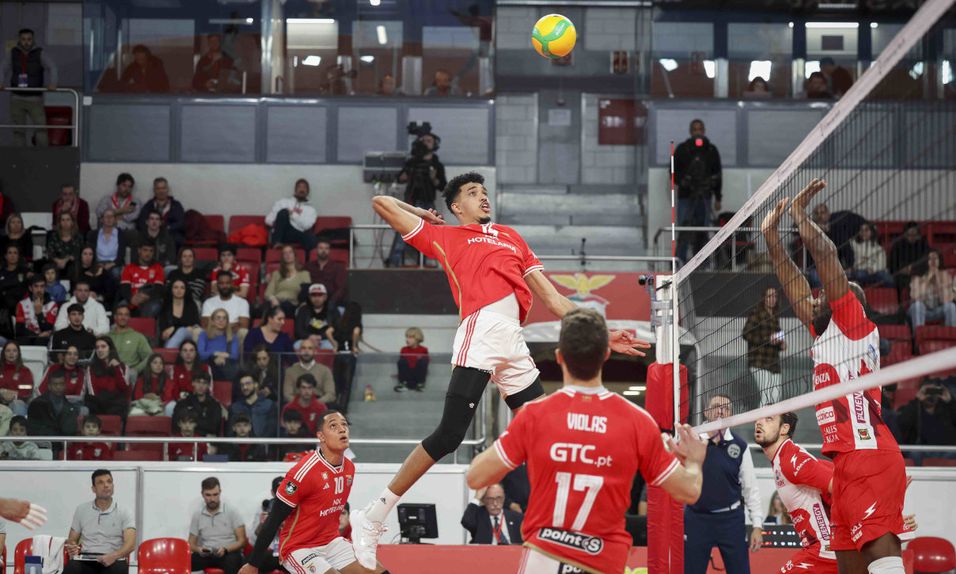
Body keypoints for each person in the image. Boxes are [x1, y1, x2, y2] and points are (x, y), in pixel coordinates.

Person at [350, 173, 650, 567]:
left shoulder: (511, 237)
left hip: (513, 338)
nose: (483, 197)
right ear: (456, 207)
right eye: (472, 193)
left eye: (484, 192)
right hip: (482, 329)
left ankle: (561, 533)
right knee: (450, 435)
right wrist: (422, 213)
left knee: (546, 434)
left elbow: (554, 299)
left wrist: (604, 332)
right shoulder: (447, 237)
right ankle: (373, 515)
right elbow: (381, 204)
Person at [466, 309, 704, 574]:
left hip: (544, 557)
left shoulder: (534, 416)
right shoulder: (637, 422)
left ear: (559, 357)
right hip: (602, 560)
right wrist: (694, 461)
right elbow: (689, 491)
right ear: (606, 355)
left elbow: (475, 477)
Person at [761, 179, 913, 573]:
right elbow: (793, 283)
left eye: (825, 294)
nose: (815, 296)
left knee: (883, 562)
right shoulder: (826, 334)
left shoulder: (853, 324)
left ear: (847, 302)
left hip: (868, 455)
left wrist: (801, 218)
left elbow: (827, 257)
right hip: (845, 464)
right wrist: (772, 238)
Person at [241, 410, 388, 574]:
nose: (342, 429)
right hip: (299, 547)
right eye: (333, 426)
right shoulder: (302, 473)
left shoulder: (349, 468)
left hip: (331, 542)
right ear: (321, 436)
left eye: (344, 424)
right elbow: (273, 519)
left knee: (379, 571)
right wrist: (253, 564)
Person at [685, 394, 765, 574]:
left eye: (726, 408)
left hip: (731, 520)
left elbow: (750, 488)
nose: (721, 411)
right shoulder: (692, 440)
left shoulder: (740, 445)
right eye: (716, 407)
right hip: (697, 518)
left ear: (731, 415)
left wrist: (757, 525)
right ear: (706, 412)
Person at [755, 412, 837, 571]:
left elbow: (840, 486)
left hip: (824, 550)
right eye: (759, 418)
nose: (759, 422)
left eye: (769, 419)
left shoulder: (791, 459)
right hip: (819, 548)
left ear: (784, 428)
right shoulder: (781, 458)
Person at [386, 125, 447, 267]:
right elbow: (400, 178)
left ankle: (424, 265)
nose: (426, 143)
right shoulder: (412, 162)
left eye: (429, 141)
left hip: (428, 203)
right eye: (423, 140)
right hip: (411, 202)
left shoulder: (437, 165)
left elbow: (443, 186)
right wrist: (404, 176)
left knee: (427, 236)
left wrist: (433, 178)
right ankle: (393, 264)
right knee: (403, 232)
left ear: (434, 144)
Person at [64, 469, 136, 574]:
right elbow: (72, 539)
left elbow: (131, 544)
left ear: (113, 486)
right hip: (86, 558)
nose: (106, 485)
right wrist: (72, 547)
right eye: (100, 482)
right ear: (93, 489)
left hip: (113, 559)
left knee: (118, 569)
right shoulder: (81, 510)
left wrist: (113, 556)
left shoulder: (124, 511)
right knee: (71, 569)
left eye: (109, 482)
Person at [673, 119, 722, 265]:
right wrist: (683, 181)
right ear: (690, 131)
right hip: (686, 196)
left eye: (700, 129)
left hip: (705, 196)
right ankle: (679, 262)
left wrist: (718, 197)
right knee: (684, 228)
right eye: (695, 129)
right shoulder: (682, 149)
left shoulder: (711, 150)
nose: (697, 132)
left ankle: (702, 263)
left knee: (703, 229)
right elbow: (673, 171)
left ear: (704, 131)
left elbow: (718, 174)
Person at [0, 28, 58, 147]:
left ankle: (44, 155)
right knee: (18, 131)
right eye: (23, 39)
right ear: (19, 40)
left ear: (33, 40)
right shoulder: (13, 53)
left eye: (29, 39)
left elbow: (52, 67)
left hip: (35, 98)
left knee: (41, 129)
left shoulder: (40, 53)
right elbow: (2, 68)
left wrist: (53, 83)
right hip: (17, 97)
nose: (26, 42)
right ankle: (20, 155)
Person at [188, 477, 248, 574]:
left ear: (220, 492)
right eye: (208, 495)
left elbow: (242, 541)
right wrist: (199, 550)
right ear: (202, 494)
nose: (212, 499)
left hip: (228, 553)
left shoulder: (231, 511)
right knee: (186, 562)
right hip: (207, 555)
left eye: (215, 494)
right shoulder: (197, 515)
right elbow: (190, 543)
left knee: (234, 561)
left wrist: (226, 549)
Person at [742, 287, 786, 408]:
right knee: (766, 395)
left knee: (776, 396)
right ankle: (761, 419)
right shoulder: (756, 313)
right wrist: (767, 339)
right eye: (769, 296)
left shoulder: (775, 316)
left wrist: (781, 344)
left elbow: (775, 339)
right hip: (759, 361)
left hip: (773, 362)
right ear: (764, 299)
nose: (773, 299)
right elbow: (746, 334)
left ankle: (773, 419)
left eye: (775, 296)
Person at [898, 377, 956, 455]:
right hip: (922, 451)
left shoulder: (947, 408)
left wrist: (950, 401)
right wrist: (917, 401)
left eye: (933, 391)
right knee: (915, 454)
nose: (930, 395)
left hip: (946, 450)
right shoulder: (915, 409)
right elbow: (903, 423)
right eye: (928, 391)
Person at [266, 179, 318, 250]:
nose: (302, 189)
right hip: (282, 232)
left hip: (296, 233)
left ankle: (300, 255)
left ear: (307, 191)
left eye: (304, 187)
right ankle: (276, 243)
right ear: (295, 190)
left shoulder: (311, 210)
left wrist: (292, 215)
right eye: (299, 187)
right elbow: (268, 220)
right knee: (284, 212)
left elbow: (307, 226)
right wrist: (278, 221)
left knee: (312, 239)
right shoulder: (283, 202)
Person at [908, 249, 956, 328]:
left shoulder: (945, 276)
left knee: (951, 307)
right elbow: (916, 297)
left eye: (936, 259)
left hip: (938, 310)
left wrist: (938, 279)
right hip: (922, 310)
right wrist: (928, 279)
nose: (933, 261)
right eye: (930, 259)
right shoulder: (917, 277)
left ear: (939, 261)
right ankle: (919, 334)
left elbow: (947, 299)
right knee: (917, 306)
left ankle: (950, 334)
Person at [27, 370, 81, 439]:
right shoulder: (37, 404)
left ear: (65, 385)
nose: (58, 387)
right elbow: (33, 429)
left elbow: (70, 431)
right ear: (49, 386)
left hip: (62, 443)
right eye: (55, 384)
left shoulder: (70, 407)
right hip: (42, 442)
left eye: (61, 384)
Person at [84, 337, 129, 418]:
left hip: (116, 404)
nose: (100, 350)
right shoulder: (91, 368)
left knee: (121, 404)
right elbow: (92, 392)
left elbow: (124, 388)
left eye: (103, 346)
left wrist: (117, 368)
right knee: (91, 403)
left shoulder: (123, 367)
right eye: (97, 347)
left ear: (110, 349)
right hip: (98, 404)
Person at [282, 338, 335, 404]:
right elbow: (287, 395)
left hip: (320, 403)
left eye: (310, 348)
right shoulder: (290, 371)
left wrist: (314, 404)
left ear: (315, 351)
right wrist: (301, 404)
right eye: (303, 348)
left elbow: (330, 394)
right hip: (296, 404)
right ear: (299, 351)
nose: (306, 351)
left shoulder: (325, 370)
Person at [167, 340, 213, 414]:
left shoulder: (205, 368)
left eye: (191, 350)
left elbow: (208, 389)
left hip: (200, 401)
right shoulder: (175, 369)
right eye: (185, 350)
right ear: (181, 353)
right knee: (170, 407)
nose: (188, 353)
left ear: (195, 353)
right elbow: (174, 390)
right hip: (181, 402)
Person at [173, 371, 223, 438]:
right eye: (198, 382)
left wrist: (192, 423)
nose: (201, 386)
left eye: (204, 383)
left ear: (208, 386)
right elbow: (176, 424)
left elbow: (214, 427)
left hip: (207, 440)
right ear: (193, 383)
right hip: (186, 438)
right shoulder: (182, 403)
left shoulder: (214, 405)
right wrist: (202, 426)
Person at [120, 243, 165, 317]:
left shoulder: (158, 268)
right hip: (132, 299)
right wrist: (131, 298)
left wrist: (146, 296)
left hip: (150, 300)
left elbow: (158, 289)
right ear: (139, 250)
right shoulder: (129, 268)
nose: (148, 253)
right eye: (145, 250)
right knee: (120, 308)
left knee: (155, 307)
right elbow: (125, 287)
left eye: (151, 251)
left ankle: (142, 323)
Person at [265, 245, 311, 316]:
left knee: (285, 305)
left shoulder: (304, 274)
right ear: (282, 257)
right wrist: (273, 299)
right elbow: (268, 293)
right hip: (275, 302)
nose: (288, 255)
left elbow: (306, 293)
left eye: (290, 252)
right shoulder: (276, 274)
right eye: (285, 253)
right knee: (260, 308)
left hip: (292, 305)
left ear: (294, 255)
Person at [108, 304, 152, 377]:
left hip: (129, 375)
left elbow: (150, 356)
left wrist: (136, 370)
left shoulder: (138, 337)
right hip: (109, 374)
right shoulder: (107, 337)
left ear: (129, 317)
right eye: (120, 314)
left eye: (126, 315)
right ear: (115, 317)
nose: (123, 317)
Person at [229, 373, 277, 438]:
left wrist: (260, 442)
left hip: (264, 443)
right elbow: (230, 432)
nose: (245, 387)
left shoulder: (269, 405)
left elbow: (271, 429)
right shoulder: (235, 407)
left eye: (248, 384)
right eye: (242, 385)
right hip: (241, 443)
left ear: (256, 384)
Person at [198, 308, 241, 381]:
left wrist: (223, 356)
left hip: (226, 365)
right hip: (208, 364)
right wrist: (215, 353)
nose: (221, 320)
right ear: (212, 321)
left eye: (224, 318)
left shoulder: (232, 337)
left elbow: (235, 355)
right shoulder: (204, 335)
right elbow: (201, 354)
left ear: (227, 322)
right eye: (218, 318)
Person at [137, 178, 184, 244]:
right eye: (158, 188)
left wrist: (167, 228)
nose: (161, 191)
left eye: (163, 188)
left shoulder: (176, 205)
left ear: (167, 189)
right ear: (154, 190)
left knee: (178, 238)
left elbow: (180, 223)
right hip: (152, 235)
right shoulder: (148, 205)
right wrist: (153, 229)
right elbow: (141, 223)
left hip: (170, 234)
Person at [15, 274, 58, 345]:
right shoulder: (22, 304)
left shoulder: (52, 305)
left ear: (45, 288)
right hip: (27, 340)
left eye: (42, 286)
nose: (39, 290)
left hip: (45, 342)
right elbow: (19, 330)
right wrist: (37, 336)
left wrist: (39, 314)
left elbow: (48, 329)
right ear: (30, 288)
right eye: (36, 286)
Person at [159, 278, 201, 349]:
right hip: (170, 338)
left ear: (186, 290)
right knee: (180, 331)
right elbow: (164, 331)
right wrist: (181, 327)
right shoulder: (165, 306)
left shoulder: (191, 305)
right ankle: (168, 351)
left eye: (182, 288)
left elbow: (194, 325)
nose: (179, 290)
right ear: (171, 289)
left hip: (189, 338)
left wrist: (174, 328)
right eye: (176, 287)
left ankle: (168, 352)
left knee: (182, 331)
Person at [294, 283, 339, 349]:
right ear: (309, 297)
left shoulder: (332, 310)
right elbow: (298, 330)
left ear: (325, 297)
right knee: (296, 346)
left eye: (320, 295)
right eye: (314, 295)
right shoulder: (303, 310)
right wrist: (309, 337)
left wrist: (320, 337)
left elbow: (338, 330)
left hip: (326, 340)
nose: (317, 298)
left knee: (331, 346)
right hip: (307, 339)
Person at [305, 239, 348, 306]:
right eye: (321, 248)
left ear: (329, 251)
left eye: (326, 248)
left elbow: (341, 288)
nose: (324, 251)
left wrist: (331, 302)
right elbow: (304, 287)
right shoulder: (308, 267)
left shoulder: (338, 267)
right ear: (316, 250)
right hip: (312, 300)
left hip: (331, 301)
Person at [889, 221, 930, 293]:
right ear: (905, 234)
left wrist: (913, 269)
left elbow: (926, 261)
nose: (912, 237)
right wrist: (901, 270)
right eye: (909, 235)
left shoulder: (923, 245)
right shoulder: (897, 245)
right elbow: (892, 264)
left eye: (914, 235)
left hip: (919, 273)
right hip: (901, 275)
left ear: (918, 235)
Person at [849, 223, 894, 288]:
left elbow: (882, 264)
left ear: (872, 232)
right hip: (862, 272)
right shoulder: (855, 245)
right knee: (859, 274)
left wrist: (873, 269)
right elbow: (856, 264)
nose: (863, 232)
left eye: (866, 230)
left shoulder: (878, 248)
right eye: (861, 230)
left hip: (876, 272)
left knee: (888, 278)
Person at [88, 209, 127, 281]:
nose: (109, 219)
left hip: (115, 263)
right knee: (96, 274)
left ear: (115, 220)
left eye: (111, 216)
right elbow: (91, 251)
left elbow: (122, 254)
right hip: (98, 263)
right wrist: (98, 264)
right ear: (102, 220)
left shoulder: (120, 234)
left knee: (115, 273)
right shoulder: (94, 234)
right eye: (106, 216)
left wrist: (112, 264)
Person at [47, 211, 85, 277]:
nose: (65, 222)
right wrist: (58, 261)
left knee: (75, 265)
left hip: (73, 265)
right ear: (59, 223)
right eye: (63, 220)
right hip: (56, 264)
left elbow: (78, 253)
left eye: (68, 220)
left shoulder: (78, 237)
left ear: (72, 222)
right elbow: (50, 253)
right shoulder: (54, 236)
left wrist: (65, 260)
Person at [0, 340, 32, 417]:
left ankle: (18, 424)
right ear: (3, 353)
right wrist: (1, 393)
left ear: (18, 353)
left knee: (18, 404)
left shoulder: (25, 371)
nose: (11, 353)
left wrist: (14, 395)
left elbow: (27, 389)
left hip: (17, 402)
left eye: (14, 351)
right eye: (8, 351)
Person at [395, 326, 429, 393]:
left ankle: (420, 384)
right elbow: (402, 364)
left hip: (417, 376)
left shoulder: (423, 350)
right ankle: (403, 384)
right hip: (407, 376)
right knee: (402, 361)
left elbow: (425, 364)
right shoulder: (404, 349)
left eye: (410, 337)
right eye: (407, 337)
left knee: (423, 361)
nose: (407, 339)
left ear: (417, 338)